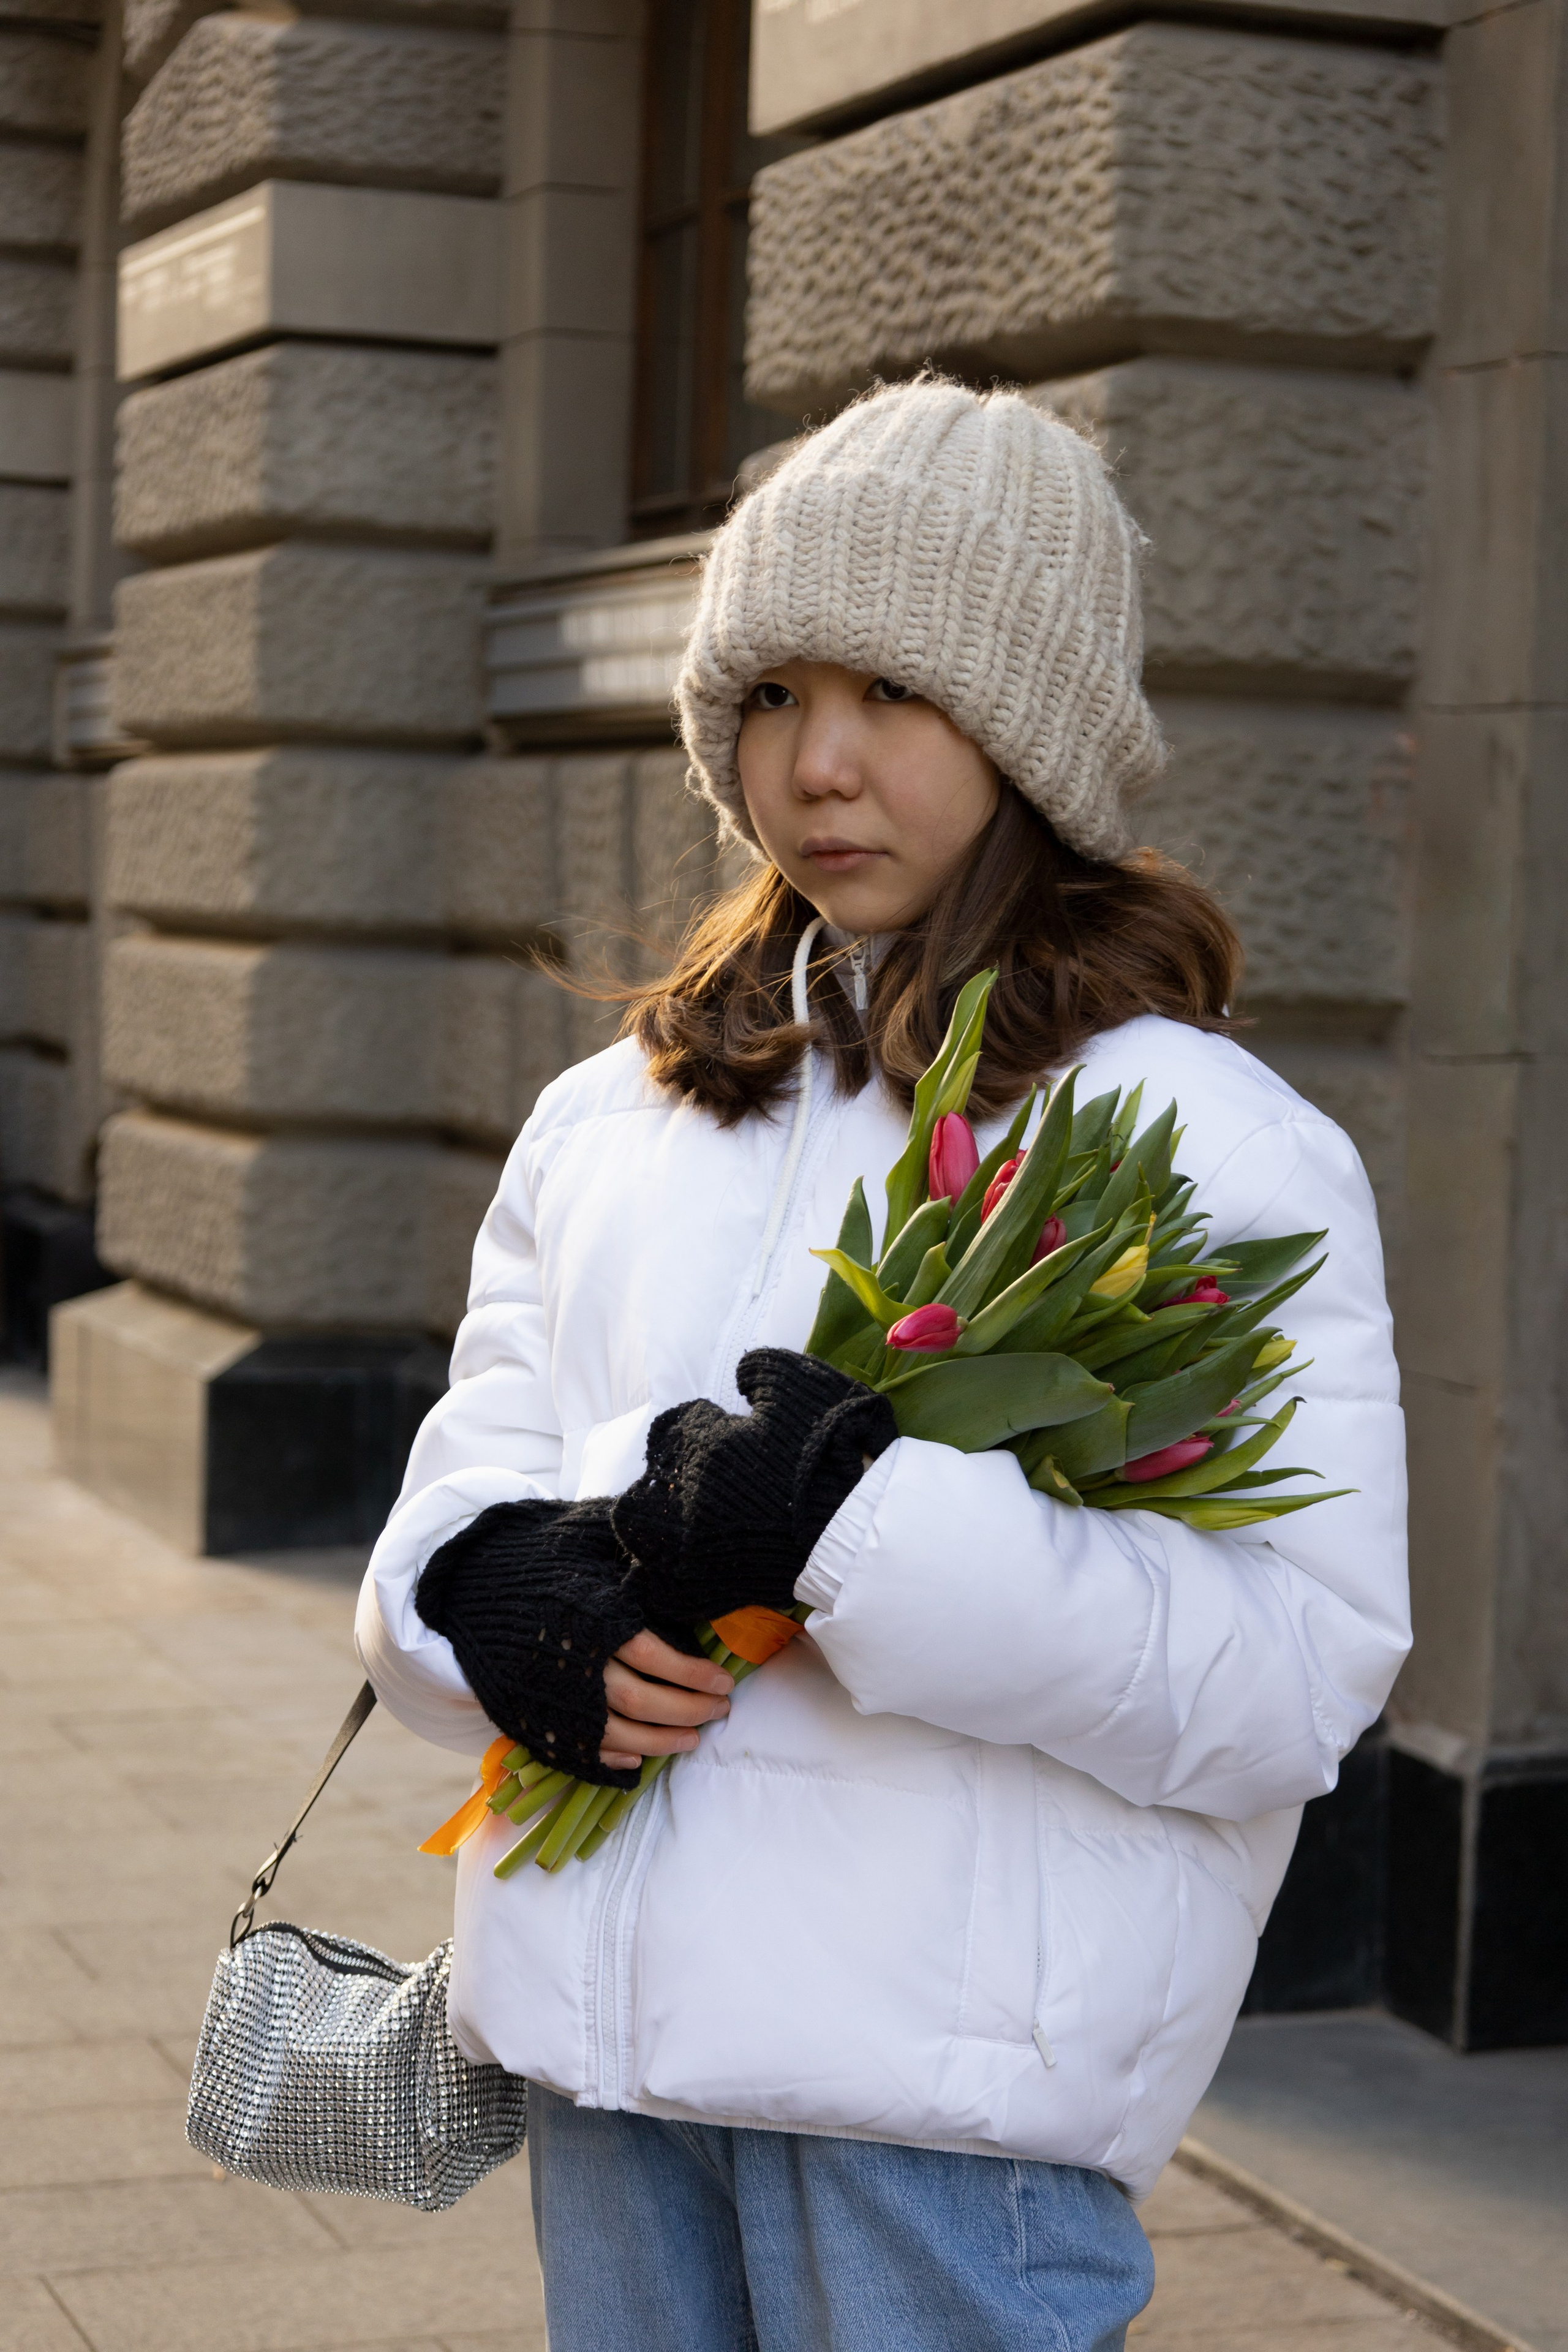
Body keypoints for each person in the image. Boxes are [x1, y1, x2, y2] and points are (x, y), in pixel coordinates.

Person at [356, 379, 1409, 2352]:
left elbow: (1288, 1680)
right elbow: (467, 1474)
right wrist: (481, 1601)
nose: (818, 762)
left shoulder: (1206, 1142)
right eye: (770, 696)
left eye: (895, 697)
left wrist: (866, 1528)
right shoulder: (619, 1116)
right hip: (612, 2078)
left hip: (941, 2128)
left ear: (1026, 730)